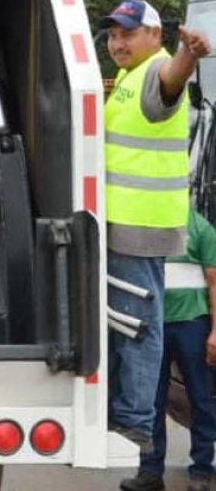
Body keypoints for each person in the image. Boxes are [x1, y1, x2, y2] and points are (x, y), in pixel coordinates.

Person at [102, 0, 210, 461]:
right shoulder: (127, 77)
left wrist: (189, 56)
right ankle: (125, 411)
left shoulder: (157, 70)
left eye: (128, 33)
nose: (117, 42)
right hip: (125, 220)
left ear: (153, 36)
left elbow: (170, 85)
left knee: (139, 325)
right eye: (112, 34)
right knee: (124, 320)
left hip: (141, 223)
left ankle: (136, 421)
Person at [121, 209, 216, 491]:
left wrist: (215, 332)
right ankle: (150, 472)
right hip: (153, 327)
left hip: (192, 326)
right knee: (151, 402)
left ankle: (201, 471)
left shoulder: (200, 229)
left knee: (200, 400)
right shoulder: (148, 226)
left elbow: (214, 282)